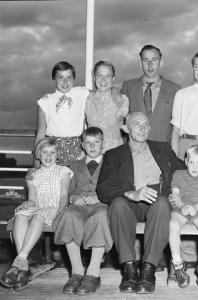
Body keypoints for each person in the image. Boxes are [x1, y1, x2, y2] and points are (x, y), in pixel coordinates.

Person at [96, 111, 185, 294]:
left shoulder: (163, 148)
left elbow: (184, 173)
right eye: (137, 124)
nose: (142, 128)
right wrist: (131, 193)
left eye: (146, 125)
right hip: (130, 203)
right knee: (118, 205)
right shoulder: (114, 155)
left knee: (161, 204)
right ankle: (129, 269)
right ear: (125, 128)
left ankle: (148, 270)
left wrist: (176, 194)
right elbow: (103, 190)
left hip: (158, 201)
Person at [0, 137, 72, 291]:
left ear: (57, 154)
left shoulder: (63, 171)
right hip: (37, 206)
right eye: (44, 152)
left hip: (54, 208)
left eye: (52, 152)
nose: (48, 156)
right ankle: (23, 266)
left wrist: (60, 212)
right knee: (21, 214)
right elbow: (32, 199)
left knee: (39, 216)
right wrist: (27, 204)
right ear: (38, 154)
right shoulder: (33, 174)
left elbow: (64, 196)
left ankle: (17, 264)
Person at [53, 127, 113, 296]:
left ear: (103, 144)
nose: (92, 146)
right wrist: (73, 199)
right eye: (88, 143)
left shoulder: (111, 163)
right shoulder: (74, 165)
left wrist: (100, 199)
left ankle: (93, 273)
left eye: (96, 142)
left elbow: (116, 189)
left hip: (100, 204)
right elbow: (68, 191)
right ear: (82, 145)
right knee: (68, 215)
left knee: (100, 217)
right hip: (79, 206)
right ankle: (77, 272)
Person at [169, 145, 198, 289]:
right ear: (186, 161)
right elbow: (175, 194)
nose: (195, 167)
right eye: (192, 162)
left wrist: (196, 208)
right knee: (173, 225)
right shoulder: (178, 174)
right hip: (181, 207)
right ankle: (178, 265)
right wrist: (182, 206)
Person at [121, 44, 180, 142]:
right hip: (134, 150)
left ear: (161, 63)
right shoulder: (128, 87)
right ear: (140, 63)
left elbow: (176, 128)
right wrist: (113, 90)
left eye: (154, 60)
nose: (150, 64)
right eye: (145, 60)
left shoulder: (174, 89)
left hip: (163, 149)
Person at [34, 61, 89, 166]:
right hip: (52, 153)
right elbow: (40, 135)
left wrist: (114, 91)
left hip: (78, 153)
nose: (65, 82)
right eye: (60, 78)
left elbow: (101, 92)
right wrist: (35, 168)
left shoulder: (82, 93)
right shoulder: (45, 101)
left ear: (74, 79)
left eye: (69, 78)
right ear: (54, 78)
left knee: (75, 182)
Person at [85, 61, 129, 152]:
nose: (103, 80)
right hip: (92, 153)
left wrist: (115, 89)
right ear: (94, 77)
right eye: (99, 75)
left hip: (116, 153)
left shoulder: (123, 100)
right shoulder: (86, 100)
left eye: (108, 76)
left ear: (113, 78)